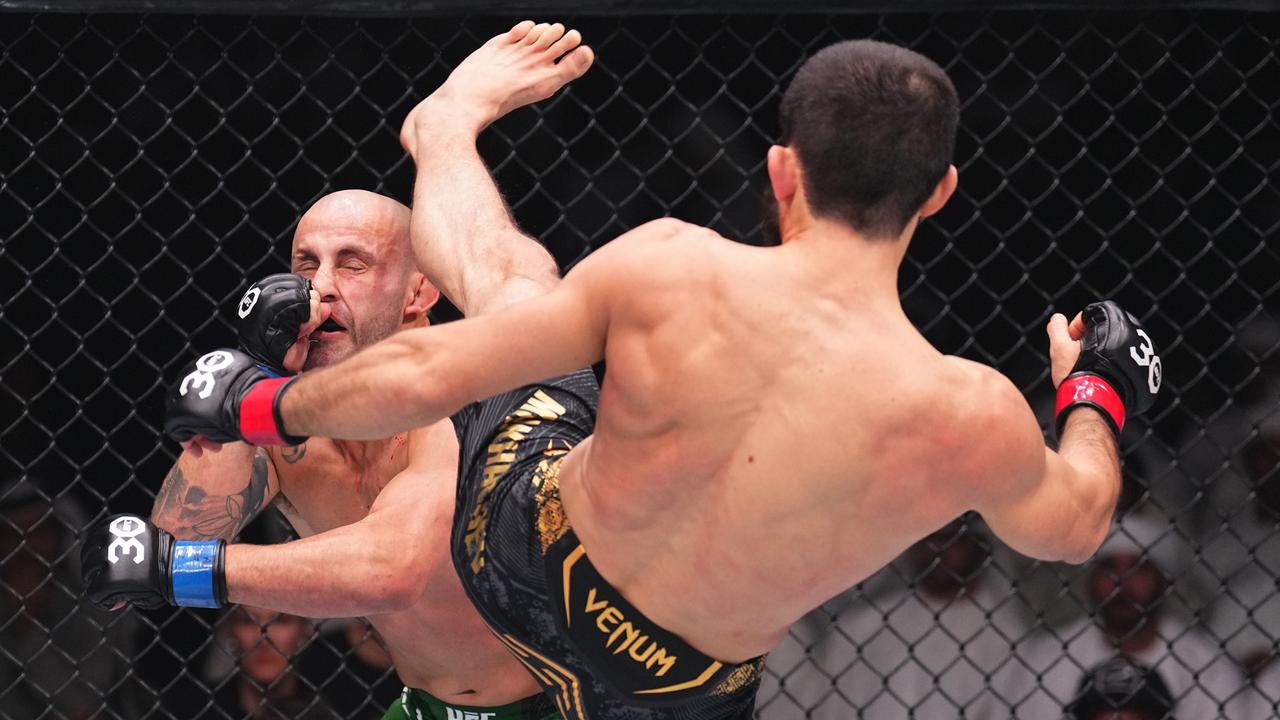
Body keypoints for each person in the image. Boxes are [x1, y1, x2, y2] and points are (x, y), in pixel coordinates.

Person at [160, 28, 1162, 719]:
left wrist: (264, 402)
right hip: (670, 688)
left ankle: (444, 132)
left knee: (513, 288)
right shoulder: (967, 411)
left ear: (779, 169)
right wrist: (1091, 394)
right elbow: (1072, 523)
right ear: (939, 192)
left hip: (528, 559)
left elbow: (428, 370)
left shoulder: (672, 266)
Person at [82, 22, 598, 720]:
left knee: (519, 297)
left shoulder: (454, 401)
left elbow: (395, 568)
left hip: (569, 702)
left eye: (352, 263)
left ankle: (445, 132)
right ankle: (444, 131)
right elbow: (175, 534)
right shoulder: (286, 420)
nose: (319, 287)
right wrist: (238, 407)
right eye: (305, 264)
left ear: (418, 293)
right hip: (426, 705)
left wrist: (184, 573)